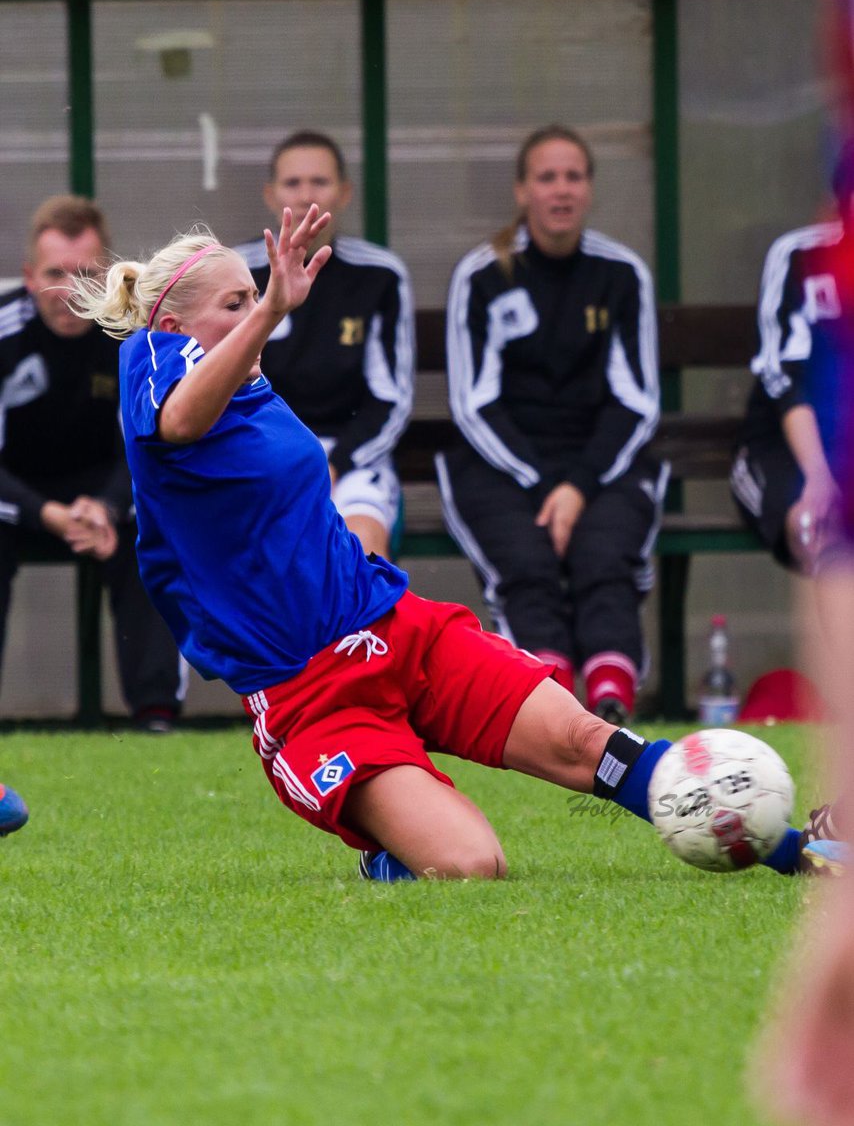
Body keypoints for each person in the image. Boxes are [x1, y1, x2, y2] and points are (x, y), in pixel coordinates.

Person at [69, 205, 810, 882]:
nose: (260, 312)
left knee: (589, 743)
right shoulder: (153, 363)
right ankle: (394, 846)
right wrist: (266, 312)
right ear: (174, 325)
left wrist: (786, 851)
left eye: (254, 297)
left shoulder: (251, 386)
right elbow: (179, 425)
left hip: (394, 630)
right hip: (311, 698)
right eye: (235, 302)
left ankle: (790, 845)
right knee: (473, 865)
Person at [437, 125, 666, 725]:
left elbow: (636, 401)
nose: (560, 191)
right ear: (522, 191)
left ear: (589, 189)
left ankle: (611, 701)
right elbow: (474, 403)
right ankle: (550, 706)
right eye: (546, 178)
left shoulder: (621, 275)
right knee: (528, 563)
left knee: (605, 554)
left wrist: (578, 487)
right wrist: (546, 488)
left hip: (601, 461)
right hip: (503, 465)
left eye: (573, 177)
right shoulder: (483, 275)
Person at [0, 195, 183, 731]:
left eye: (84, 273)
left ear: (107, 277)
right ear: (30, 277)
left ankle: (156, 713)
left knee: (151, 525)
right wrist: (47, 513)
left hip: (102, 495)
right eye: (55, 273)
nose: (68, 289)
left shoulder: (132, 337)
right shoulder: (4, 334)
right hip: (15, 497)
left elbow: (150, 443)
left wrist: (105, 505)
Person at [233, 130, 414, 560]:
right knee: (249, 556)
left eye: (320, 182)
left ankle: (366, 629)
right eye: (293, 183)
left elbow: (390, 399)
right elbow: (220, 386)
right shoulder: (235, 271)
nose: (306, 195)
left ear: (345, 193)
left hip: (349, 461)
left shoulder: (380, 275)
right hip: (263, 453)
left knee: (360, 551)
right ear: (270, 194)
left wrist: (334, 463)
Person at [730, 146, 854, 574]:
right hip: (788, 445)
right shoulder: (799, 255)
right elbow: (783, 376)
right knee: (818, 530)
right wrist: (818, 477)